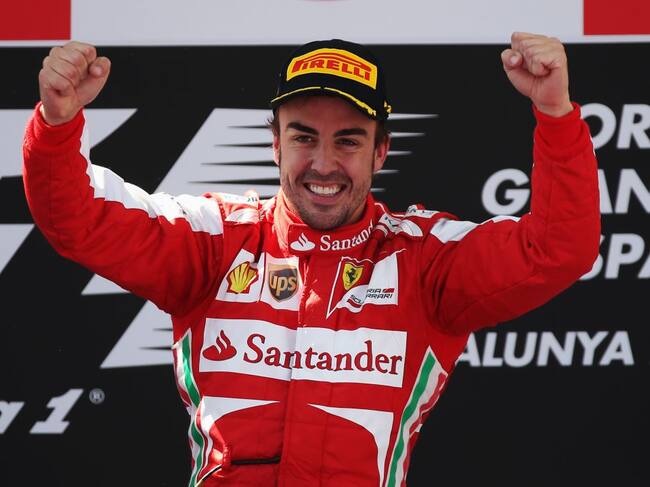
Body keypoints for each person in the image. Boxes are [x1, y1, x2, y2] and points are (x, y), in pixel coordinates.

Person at [23, 33, 600, 487]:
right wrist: (57, 123)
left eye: (348, 140)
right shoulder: (214, 241)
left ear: (380, 152)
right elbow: (77, 218)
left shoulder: (424, 261)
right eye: (303, 137)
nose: (324, 164)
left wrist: (555, 113)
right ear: (275, 143)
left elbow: (555, 249)